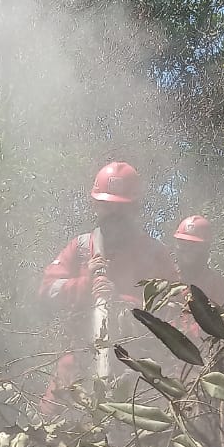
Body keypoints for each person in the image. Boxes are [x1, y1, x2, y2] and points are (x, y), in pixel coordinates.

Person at [38, 161, 176, 411]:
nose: (113, 214)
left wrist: (123, 305)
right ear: (96, 206)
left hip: (138, 370)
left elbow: (174, 312)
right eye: (107, 206)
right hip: (78, 363)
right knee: (50, 422)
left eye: (120, 208)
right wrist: (85, 284)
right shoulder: (81, 247)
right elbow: (47, 291)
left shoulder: (155, 254)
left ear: (135, 208)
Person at [173, 214, 224, 308]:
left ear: (205, 248)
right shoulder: (166, 277)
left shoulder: (216, 284)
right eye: (183, 244)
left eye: (193, 246)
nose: (187, 250)